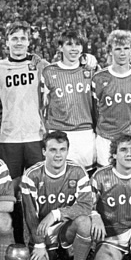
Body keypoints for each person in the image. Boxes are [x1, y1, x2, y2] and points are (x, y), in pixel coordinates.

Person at [0, 21, 49, 244]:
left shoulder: (40, 65)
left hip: (36, 136)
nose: (19, 42)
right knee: (10, 191)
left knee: (39, 189)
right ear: (7, 42)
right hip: (9, 137)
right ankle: (17, 241)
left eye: (23, 38)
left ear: (29, 42)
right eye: (14, 38)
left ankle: (42, 240)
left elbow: (64, 72)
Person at [20, 131, 93, 260]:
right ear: (44, 151)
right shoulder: (31, 175)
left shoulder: (78, 172)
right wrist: (39, 244)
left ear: (67, 150)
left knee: (85, 222)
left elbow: (86, 206)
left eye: (62, 150)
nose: (58, 155)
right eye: (53, 150)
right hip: (42, 230)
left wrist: (56, 214)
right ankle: (52, 251)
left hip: (66, 226)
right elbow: (30, 215)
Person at [92, 30, 131, 168]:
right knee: (106, 177)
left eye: (126, 48)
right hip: (106, 139)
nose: (122, 53)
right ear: (110, 51)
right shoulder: (98, 78)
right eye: (118, 49)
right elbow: (94, 110)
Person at [40, 30, 99, 172]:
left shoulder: (91, 69)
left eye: (78, 44)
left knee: (87, 175)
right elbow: (42, 106)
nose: (74, 48)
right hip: (58, 133)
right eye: (69, 44)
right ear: (60, 47)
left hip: (85, 133)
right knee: (60, 176)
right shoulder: (48, 72)